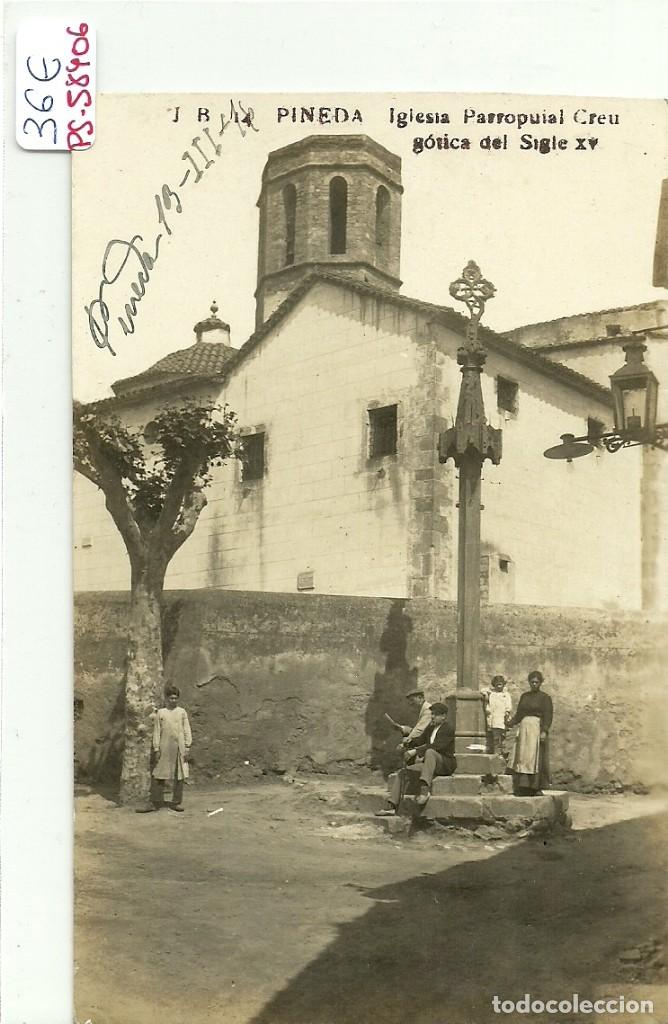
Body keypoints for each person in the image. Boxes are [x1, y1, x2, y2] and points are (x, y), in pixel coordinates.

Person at [377, 702, 456, 815]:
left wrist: (415, 751)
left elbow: (437, 746)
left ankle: (424, 789)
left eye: (435, 714)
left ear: (443, 716)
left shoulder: (448, 728)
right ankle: (392, 806)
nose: (432, 716)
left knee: (430, 752)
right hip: (429, 764)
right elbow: (420, 740)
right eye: (432, 714)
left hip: (444, 764)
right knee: (403, 773)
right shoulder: (431, 727)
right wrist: (407, 743)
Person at [139, 685, 192, 812]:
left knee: (179, 775)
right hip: (165, 747)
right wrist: (156, 748)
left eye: (175, 698)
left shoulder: (181, 712)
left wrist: (187, 746)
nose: (173, 700)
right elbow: (157, 732)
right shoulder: (161, 713)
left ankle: (176, 802)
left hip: (179, 747)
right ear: (166, 698)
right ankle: (156, 802)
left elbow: (186, 729)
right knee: (159, 773)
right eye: (171, 698)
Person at [507, 670, 552, 795]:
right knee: (522, 758)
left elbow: (548, 716)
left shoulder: (545, 698)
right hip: (524, 730)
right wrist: (509, 723)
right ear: (529, 682)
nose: (534, 684)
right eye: (532, 682)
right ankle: (522, 787)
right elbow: (519, 714)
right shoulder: (524, 696)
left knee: (534, 758)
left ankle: (535, 787)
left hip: (536, 729)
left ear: (540, 683)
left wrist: (544, 731)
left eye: (536, 682)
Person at [481, 675, 512, 755]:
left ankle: (503, 751)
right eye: (497, 684)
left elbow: (508, 706)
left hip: (502, 717)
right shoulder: (492, 694)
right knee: (495, 736)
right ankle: (496, 751)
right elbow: (483, 691)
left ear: (503, 685)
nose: (498, 686)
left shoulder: (506, 694)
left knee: (503, 735)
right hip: (494, 718)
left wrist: (507, 713)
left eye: (500, 684)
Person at [395, 687, 432, 754]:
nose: (410, 703)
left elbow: (419, 730)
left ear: (420, 698)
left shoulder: (428, 710)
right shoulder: (422, 709)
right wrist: (402, 728)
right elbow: (419, 729)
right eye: (409, 701)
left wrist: (405, 742)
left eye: (412, 700)